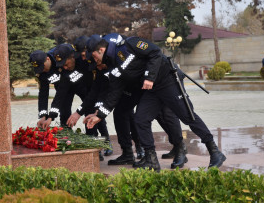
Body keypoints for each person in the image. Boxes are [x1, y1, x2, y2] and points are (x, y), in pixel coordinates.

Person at [83, 35, 226, 172]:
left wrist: (150, 77)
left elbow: (155, 52)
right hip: (152, 90)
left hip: (167, 80)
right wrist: (99, 115)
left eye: (94, 56)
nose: (94, 61)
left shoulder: (130, 44)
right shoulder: (113, 65)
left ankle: (214, 151)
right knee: (141, 119)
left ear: (100, 50)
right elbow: (113, 94)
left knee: (187, 116)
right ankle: (152, 160)